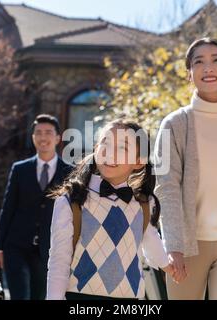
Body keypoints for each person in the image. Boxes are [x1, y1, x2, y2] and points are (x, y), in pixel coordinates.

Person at [154, 37, 217, 300]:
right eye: (198, 62)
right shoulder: (174, 123)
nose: (208, 68)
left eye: (216, 60)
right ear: (190, 74)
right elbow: (165, 188)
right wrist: (173, 246)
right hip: (187, 248)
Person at [46, 119, 175, 300]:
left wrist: (168, 265)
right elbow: (59, 260)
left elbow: (151, 239)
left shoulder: (144, 204)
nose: (110, 152)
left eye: (122, 147)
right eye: (105, 143)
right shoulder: (72, 200)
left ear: (139, 161)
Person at [0, 114, 73, 300]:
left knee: (39, 296)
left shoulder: (69, 172)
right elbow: (8, 208)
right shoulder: (20, 169)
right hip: (16, 245)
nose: (43, 137)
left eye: (48, 133)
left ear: (58, 138)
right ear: (33, 137)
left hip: (49, 248)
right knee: (19, 296)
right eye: (38, 133)